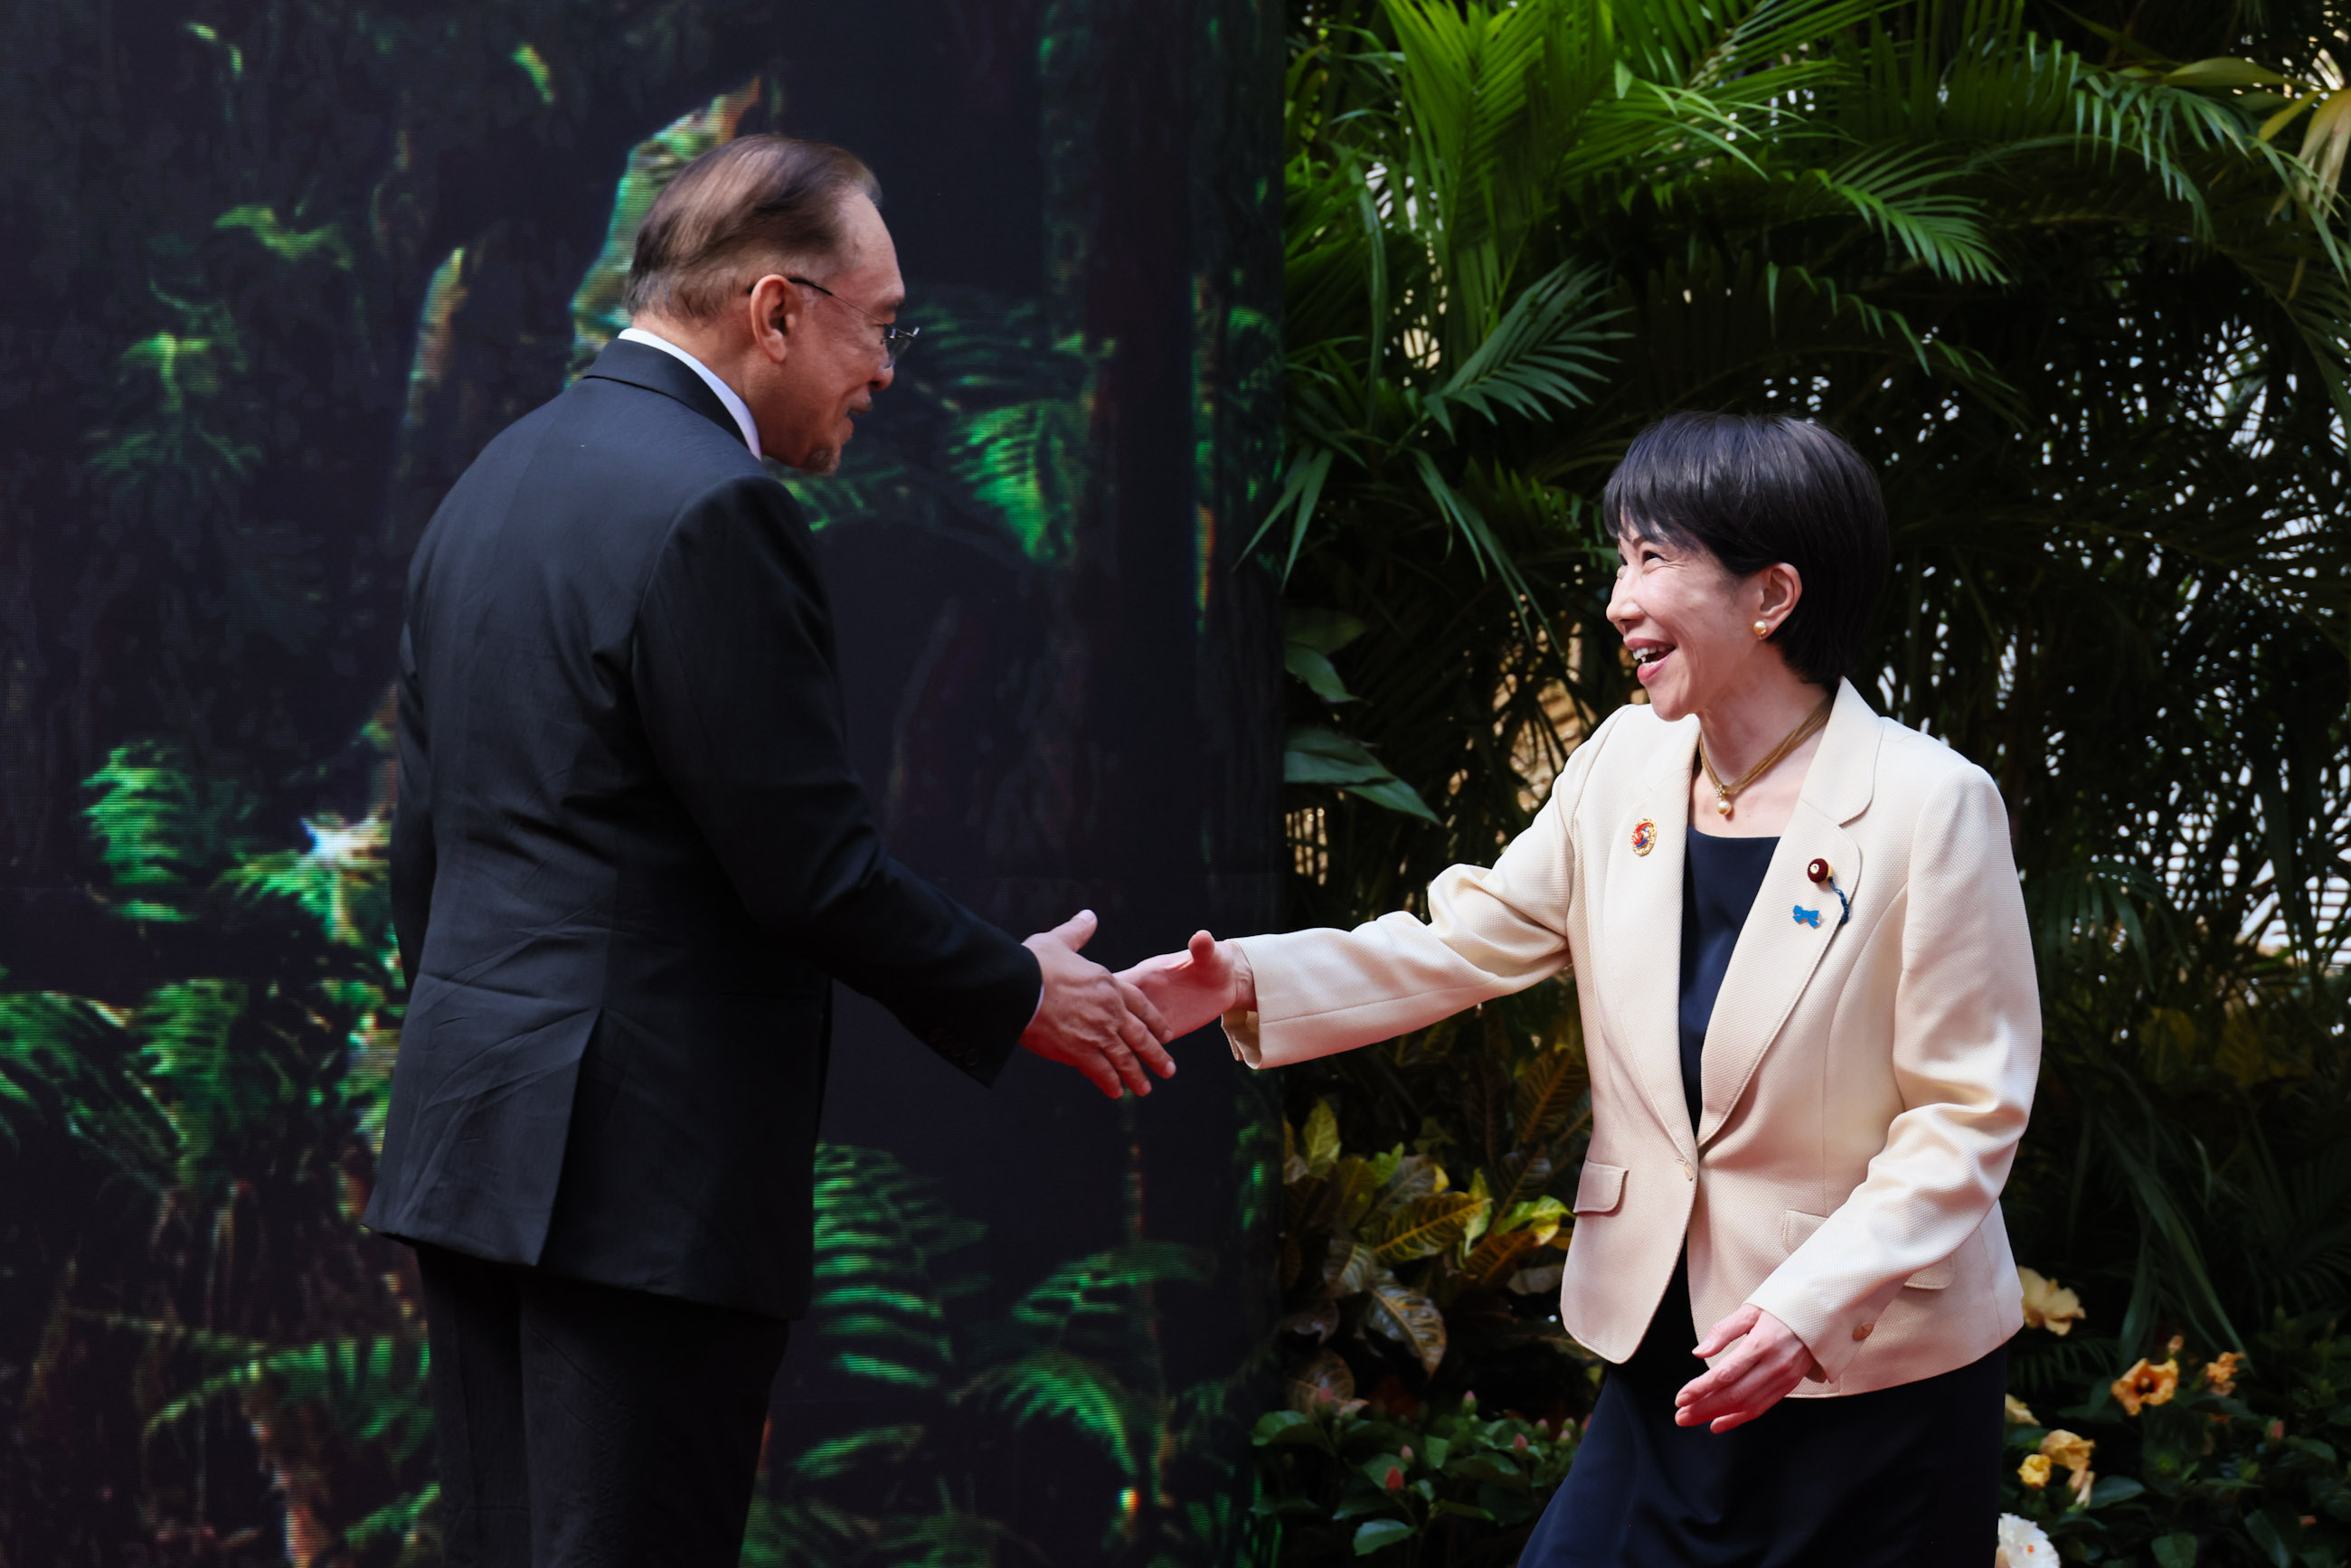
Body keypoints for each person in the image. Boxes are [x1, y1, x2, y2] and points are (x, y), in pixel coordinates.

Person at [364, 134, 1176, 1567]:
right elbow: (804, 863)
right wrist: (1014, 986)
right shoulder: (716, 508)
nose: (888, 368)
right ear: (777, 311)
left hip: (474, 1155)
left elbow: (426, 852)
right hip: (634, 1190)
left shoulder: (491, 481)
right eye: (880, 324)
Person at [1126, 412, 2040, 1565]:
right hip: (1668, 1349)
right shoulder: (1620, 765)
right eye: (1622, 558)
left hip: (1863, 1375)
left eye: (1654, 559)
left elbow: (1966, 1114)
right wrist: (1246, 976)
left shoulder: (1929, 805)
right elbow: (1463, 941)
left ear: (1772, 596)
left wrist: (1811, 1306)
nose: (1618, 600)